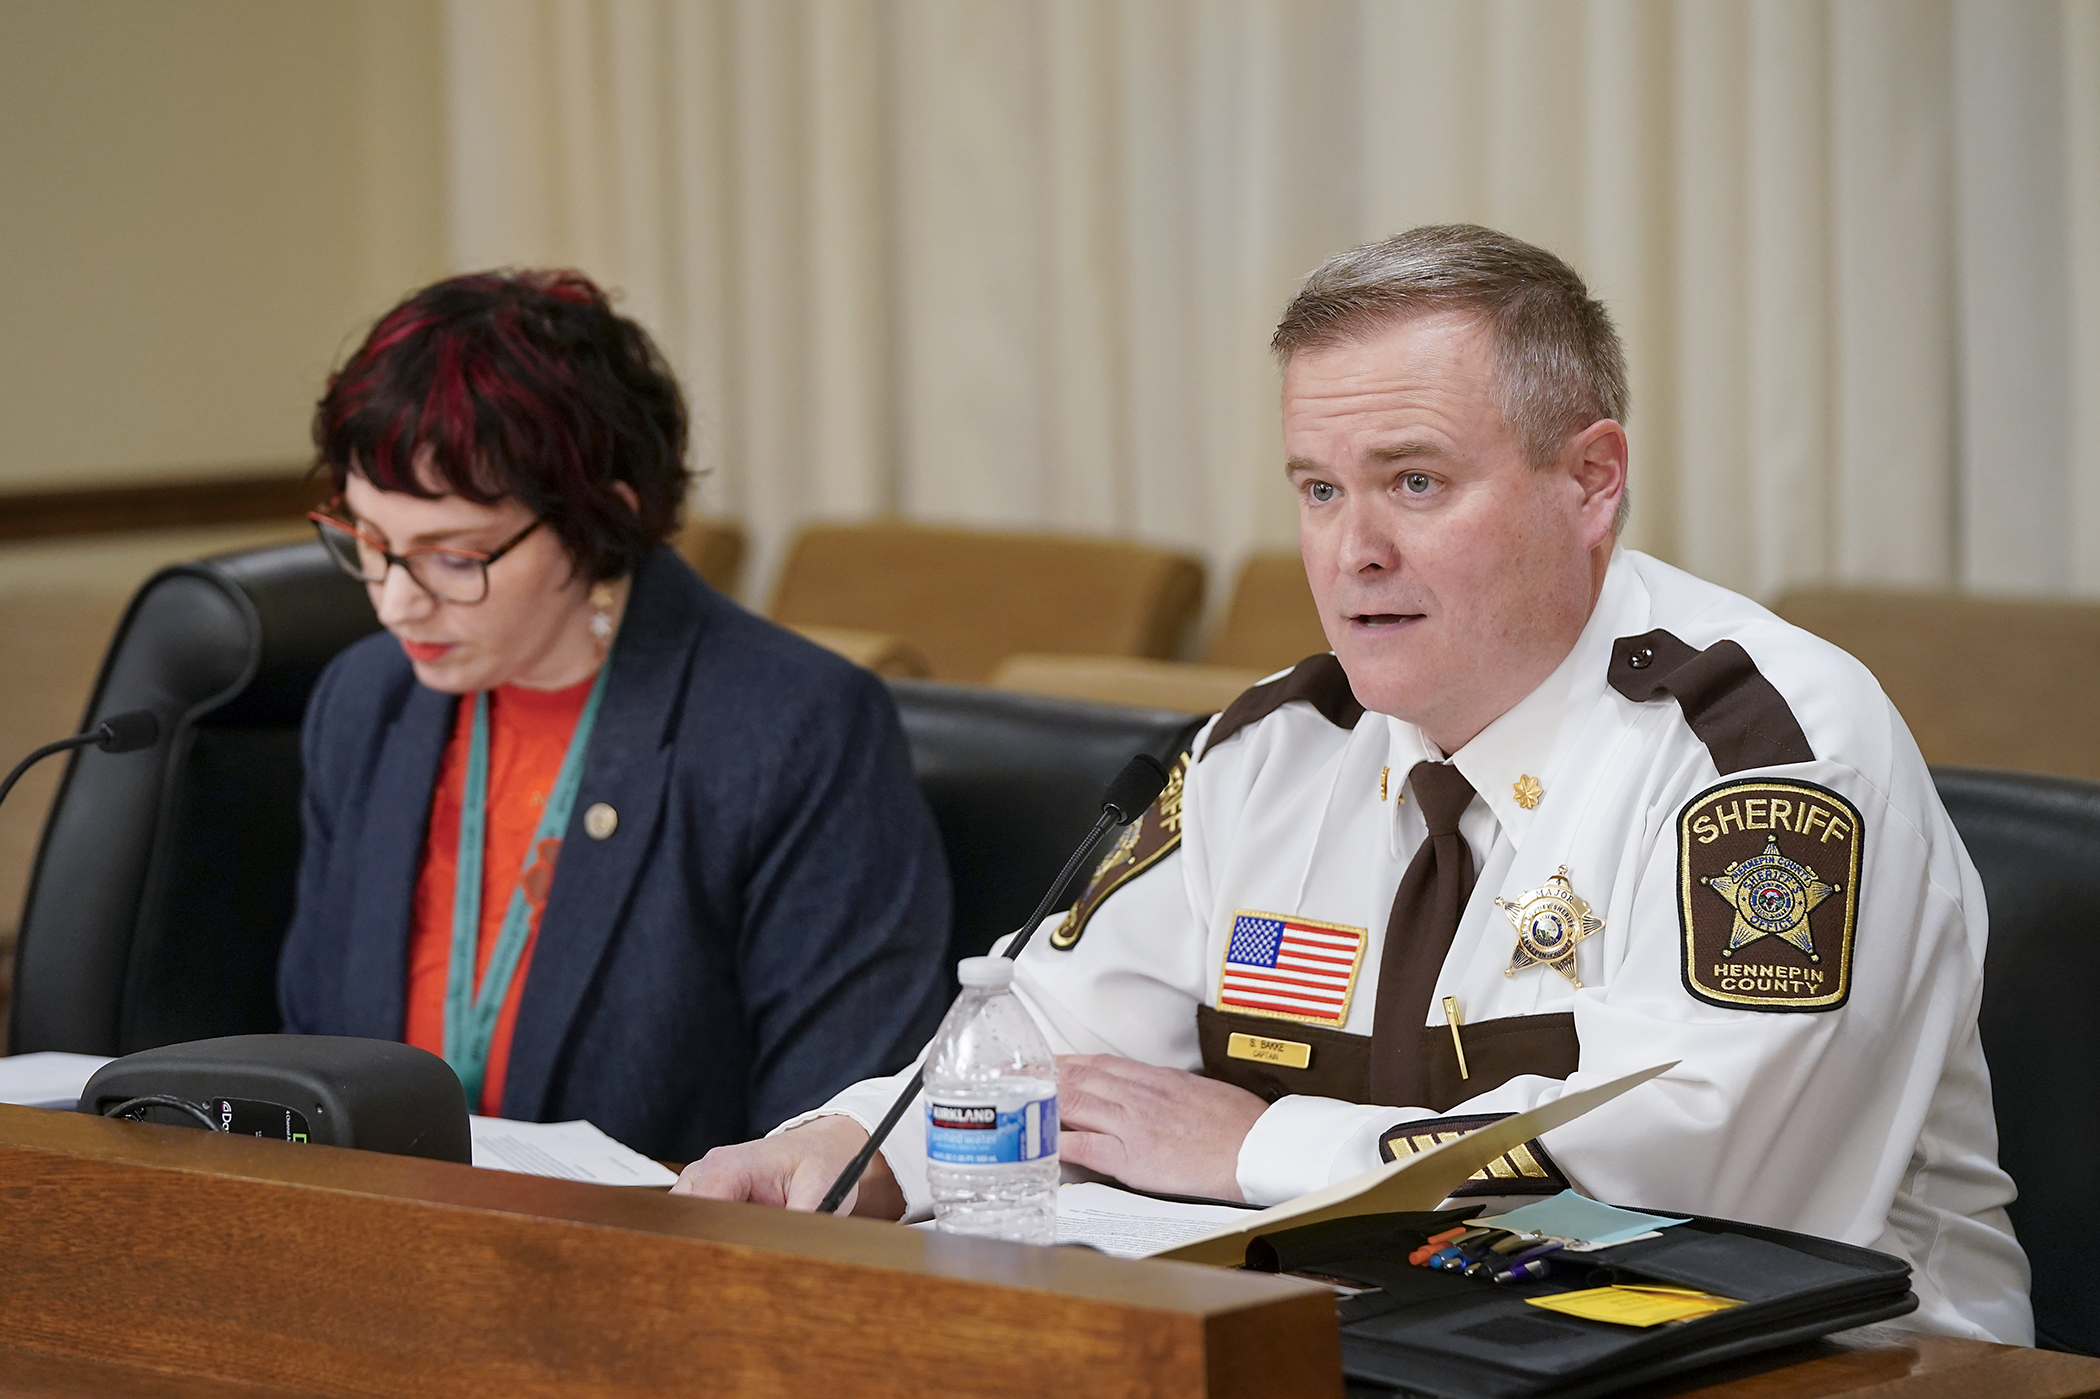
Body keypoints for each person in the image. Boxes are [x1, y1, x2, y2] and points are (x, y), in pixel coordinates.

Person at [675, 226, 2033, 1342]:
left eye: (1415, 481)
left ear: (1592, 482)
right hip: (1402, 1358)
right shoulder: (1266, 750)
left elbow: (1686, 1182)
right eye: (1319, 490)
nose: (1352, 552)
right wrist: (862, 1145)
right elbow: (1049, 1026)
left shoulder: (1769, 759)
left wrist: (1259, 1148)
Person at [278, 269, 953, 1163]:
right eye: (369, 542)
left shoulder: (793, 728)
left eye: (456, 557)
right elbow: (309, 1064)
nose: (397, 602)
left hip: (656, 1267)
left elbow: (829, 1140)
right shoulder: (366, 701)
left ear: (603, 519)